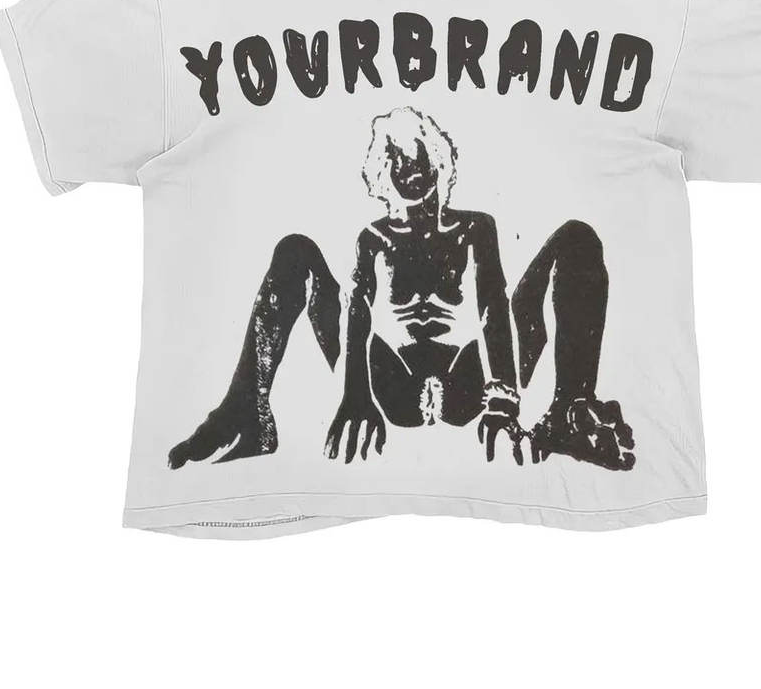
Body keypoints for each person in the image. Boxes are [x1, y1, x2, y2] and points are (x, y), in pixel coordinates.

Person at [168, 107, 634, 471]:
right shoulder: (373, 238)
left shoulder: (476, 227)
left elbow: (494, 307)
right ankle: (247, 407)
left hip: (471, 376)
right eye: (394, 157)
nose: (408, 166)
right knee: (295, 250)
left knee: (577, 238)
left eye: (416, 154)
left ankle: (571, 409)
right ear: (382, 172)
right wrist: (356, 393)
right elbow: (358, 313)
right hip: (389, 379)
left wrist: (502, 398)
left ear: (438, 159)